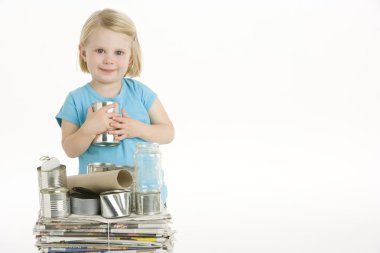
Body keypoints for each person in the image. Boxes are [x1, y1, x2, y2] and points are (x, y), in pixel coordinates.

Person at [56, 9, 174, 203]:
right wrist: (88, 130)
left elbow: (168, 132)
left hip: (143, 195)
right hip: (96, 199)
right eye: (100, 50)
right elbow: (70, 149)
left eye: (118, 52)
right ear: (83, 52)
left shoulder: (141, 93)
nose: (109, 59)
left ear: (131, 57)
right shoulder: (76, 99)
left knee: (145, 233)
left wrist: (136, 128)